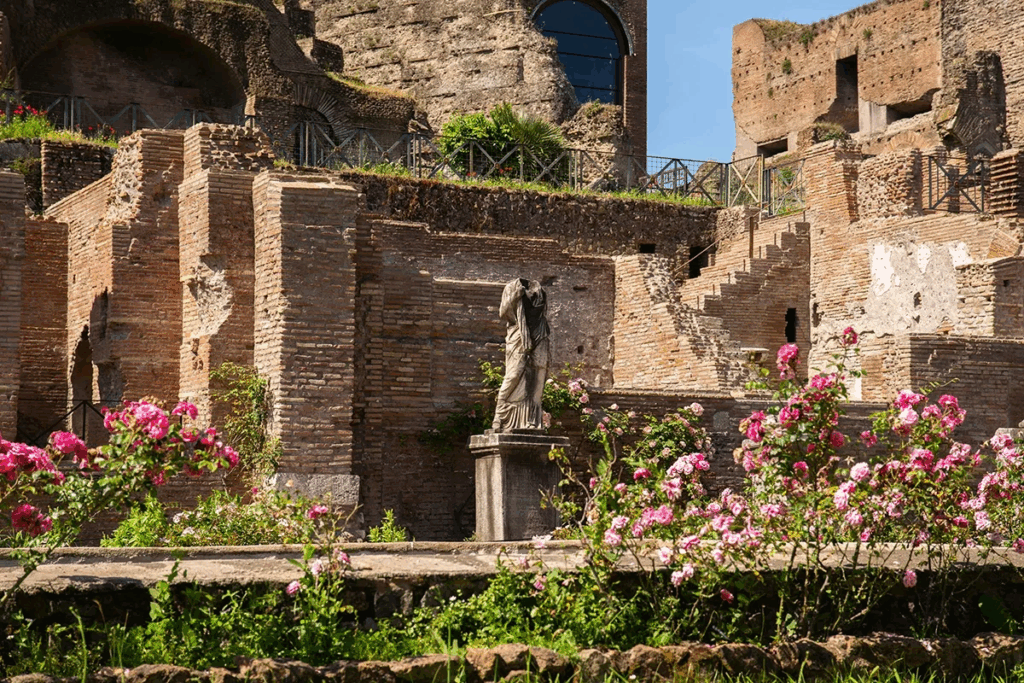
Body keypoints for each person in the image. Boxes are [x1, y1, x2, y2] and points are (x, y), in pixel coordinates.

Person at [491, 278, 550, 432]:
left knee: (538, 376)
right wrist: (516, 296)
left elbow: (541, 313)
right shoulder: (512, 286)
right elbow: (503, 312)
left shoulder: (539, 289)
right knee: (514, 374)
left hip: (540, 334)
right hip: (518, 335)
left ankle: (531, 419)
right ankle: (500, 414)